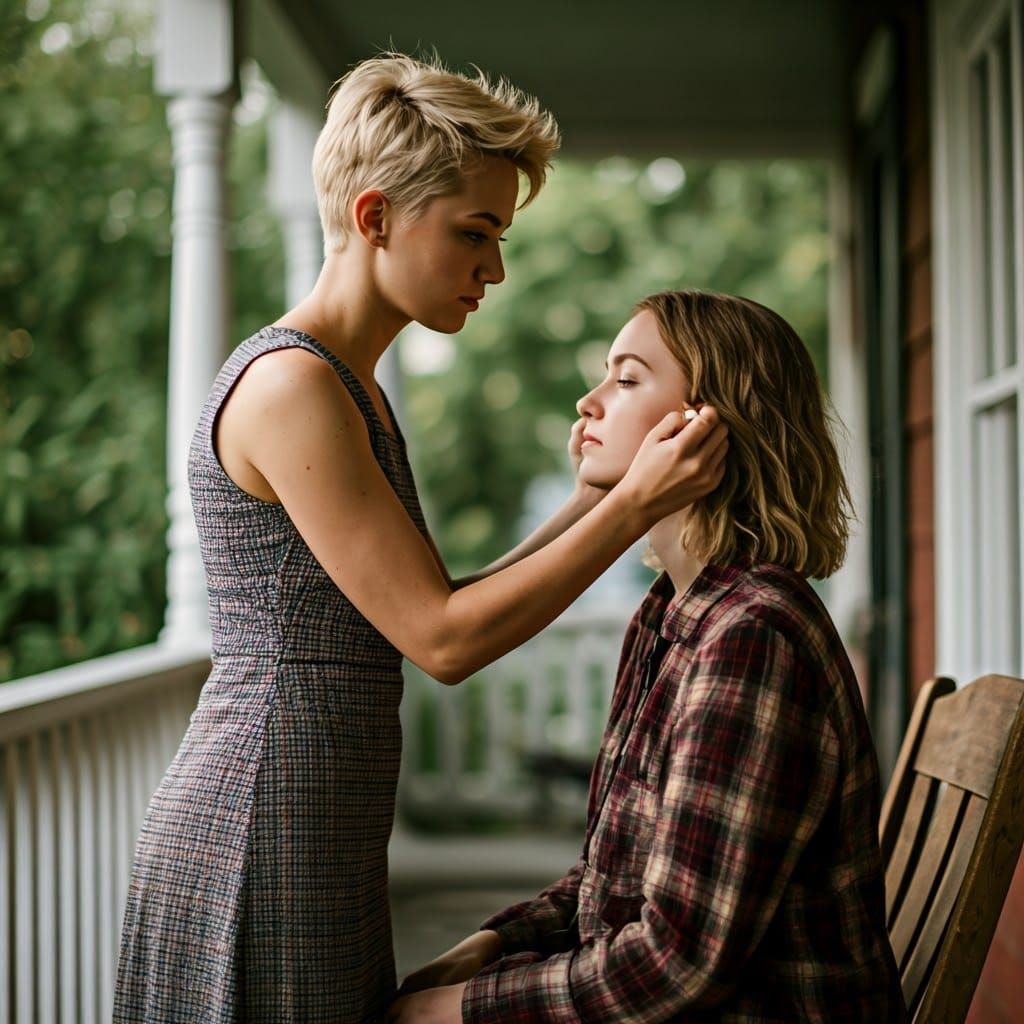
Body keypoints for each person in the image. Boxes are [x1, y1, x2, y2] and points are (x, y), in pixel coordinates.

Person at [112, 57, 729, 1023]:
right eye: (474, 233)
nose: (496, 267)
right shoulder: (294, 387)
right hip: (260, 827)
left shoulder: (351, 390)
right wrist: (633, 507)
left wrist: (592, 498)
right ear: (375, 217)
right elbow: (441, 639)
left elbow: (434, 595)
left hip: (319, 825)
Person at [391, 289, 906, 1024]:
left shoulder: (751, 636)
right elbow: (612, 878)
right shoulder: (673, 612)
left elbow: (673, 966)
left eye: (627, 378)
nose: (588, 400)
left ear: (706, 427)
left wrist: (447, 1013)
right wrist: (487, 945)